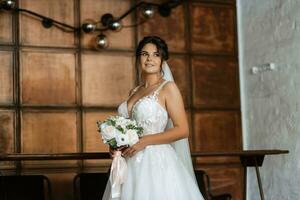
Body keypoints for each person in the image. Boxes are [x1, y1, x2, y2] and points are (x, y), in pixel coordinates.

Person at [102, 36, 204, 200]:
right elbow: (129, 129)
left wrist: (145, 141)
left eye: (156, 54)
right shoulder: (134, 92)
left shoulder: (168, 88)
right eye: (144, 54)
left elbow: (183, 130)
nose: (150, 59)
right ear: (138, 58)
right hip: (130, 162)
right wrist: (116, 145)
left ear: (162, 60)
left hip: (156, 162)